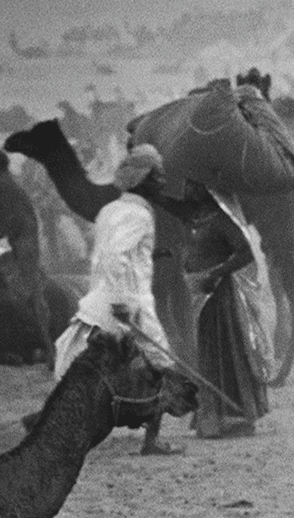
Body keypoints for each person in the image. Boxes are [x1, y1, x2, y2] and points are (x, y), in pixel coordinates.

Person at [49, 142, 176, 455]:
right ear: (143, 179)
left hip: (102, 297)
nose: (162, 181)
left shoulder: (110, 210)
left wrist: (150, 254)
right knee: (161, 364)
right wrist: (122, 304)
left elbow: (112, 252)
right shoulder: (138, 215)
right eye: (157, 175)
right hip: (128, 303)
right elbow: (115, 256)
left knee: (75, 358)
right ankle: (152, 439)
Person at [182, 185, 270, 438]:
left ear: (207, 190)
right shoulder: (197, 219)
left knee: (225, 354)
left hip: (221, 299)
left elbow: (245, 253)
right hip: (200, 295)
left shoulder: (222, 221)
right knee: (206, 355)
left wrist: (216, 272)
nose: (187, 190)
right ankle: (212, 417)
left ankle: (234, 416)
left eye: (192, 186)